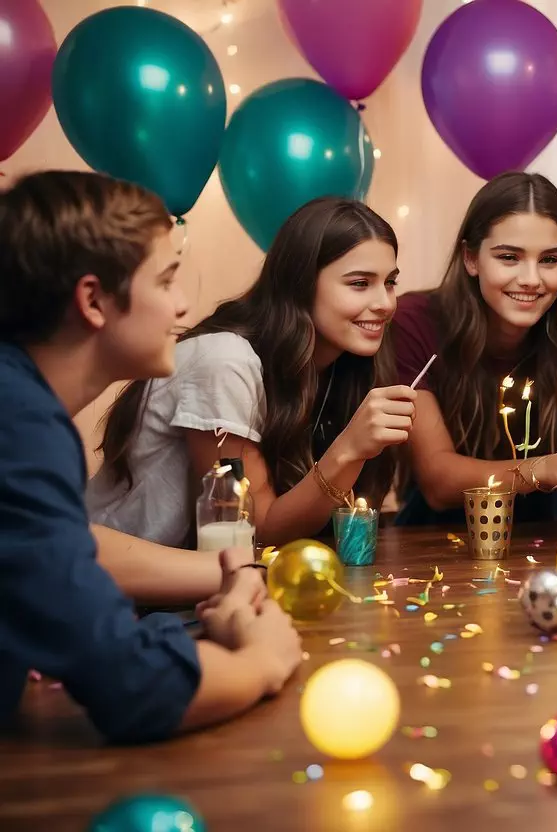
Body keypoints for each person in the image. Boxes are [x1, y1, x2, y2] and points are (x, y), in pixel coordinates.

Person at [0, 170, 300, 743]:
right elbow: (131, 687)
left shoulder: (20, 406)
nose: (183, 304)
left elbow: (63, 544)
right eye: (165, 281)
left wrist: (228, 570)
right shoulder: (20, 425)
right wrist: (263, 660)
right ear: (92, 300)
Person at [89, 197, 413, 548]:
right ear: (301, 283)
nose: (385, 303)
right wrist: (348, 450)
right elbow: (254, 532)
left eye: (390, 282)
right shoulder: (224, 360)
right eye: (360, 283)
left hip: (220, 585)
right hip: (115, 591)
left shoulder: (344, 368)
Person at [392, 172, 557, 524]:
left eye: (549, 260)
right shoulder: (415, 323)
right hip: (438, 534)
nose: (531, 279)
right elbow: (438, 483)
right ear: (471, 258)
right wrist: (542, 468)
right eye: (509, 257)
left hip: (552, 533)